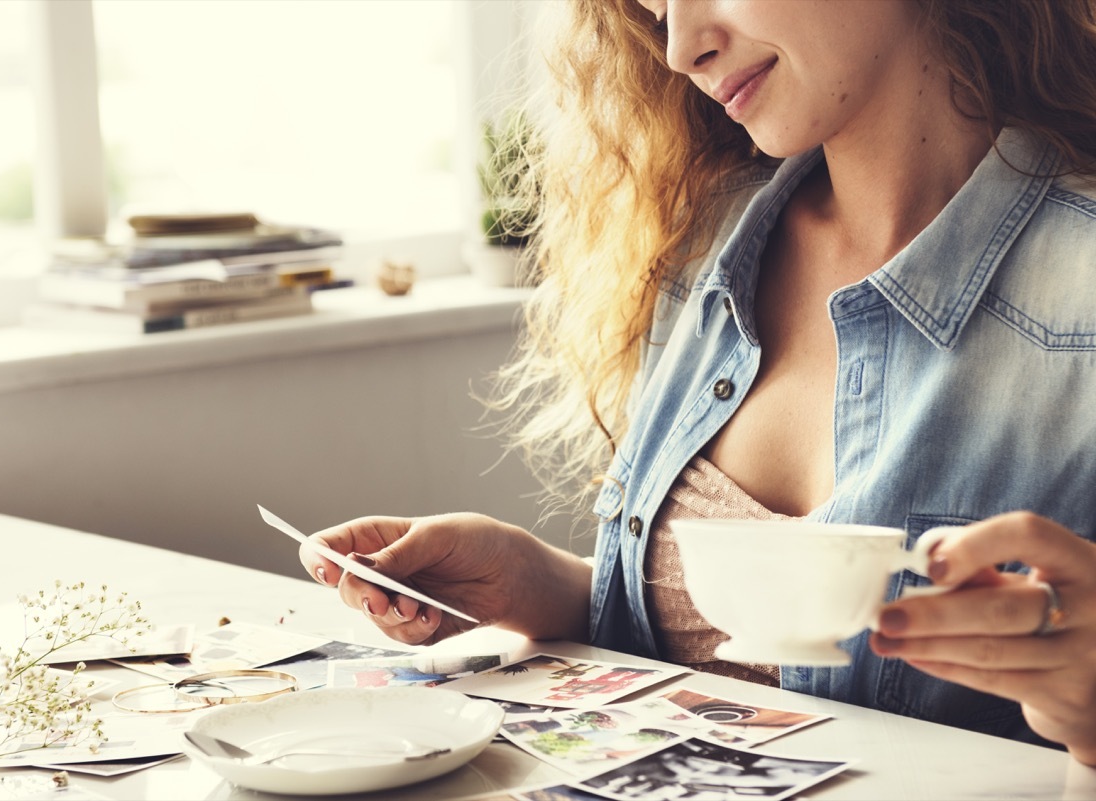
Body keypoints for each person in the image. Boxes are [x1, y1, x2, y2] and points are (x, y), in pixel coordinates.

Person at [299, 0, 1096, 765]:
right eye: (654, 4)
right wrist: (537, 584)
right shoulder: (702, 245)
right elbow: (728, 659)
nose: (681, 47)